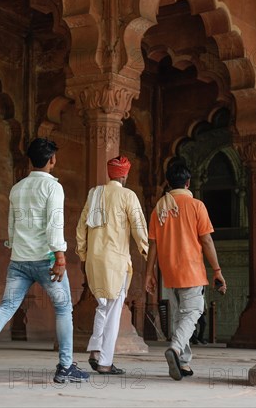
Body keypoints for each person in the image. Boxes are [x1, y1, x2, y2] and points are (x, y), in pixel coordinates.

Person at [0, 138, 89, 384]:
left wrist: (16, 248)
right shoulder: (53, 187)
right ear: (52, 159)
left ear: (30, 160)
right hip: (46, 259)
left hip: (19, 259)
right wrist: (60, 257)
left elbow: (12, 226)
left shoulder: (17, 188)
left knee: (7, 306)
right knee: (64, 309)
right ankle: (65, 367)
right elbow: (54, 223)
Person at [144, 161, 226, 381]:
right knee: (193, 312)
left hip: (168, 271)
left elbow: (152, 244)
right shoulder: (196, 206)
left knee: (180, 317)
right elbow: (206, 240)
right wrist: (217, 270)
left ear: (169, 183)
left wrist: (149, 273)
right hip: (191, 269)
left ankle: (183, 363)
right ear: (188, 183)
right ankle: (176, 348)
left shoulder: (159, 208)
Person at [76, 156, 148, 375]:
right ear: (125, 174)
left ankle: (95, 350)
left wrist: (82, 254)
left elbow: (81, 227)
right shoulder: (128, 195)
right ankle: (105, 362)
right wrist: (147, 252)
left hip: (94, 260)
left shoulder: (94, 193)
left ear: (110, 173)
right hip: (116, 261)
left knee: (102, 306)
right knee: (114, 309)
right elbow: (138, 227)